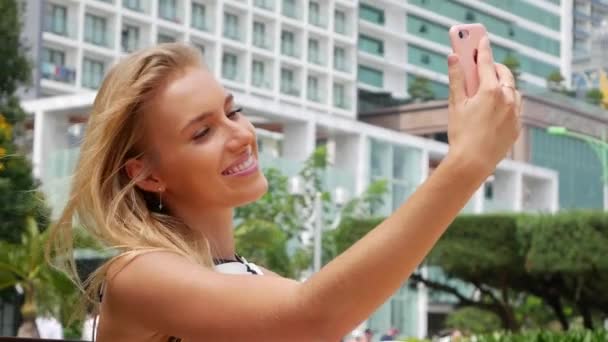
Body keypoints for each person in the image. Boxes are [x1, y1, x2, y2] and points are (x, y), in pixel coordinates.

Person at [47, 35, 521, 342]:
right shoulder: (137, 274)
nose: (240, 135)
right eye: (201, 132)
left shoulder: (257, 280)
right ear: (147, 174)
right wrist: (466, 164)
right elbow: (313, 317)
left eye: (232, 112)